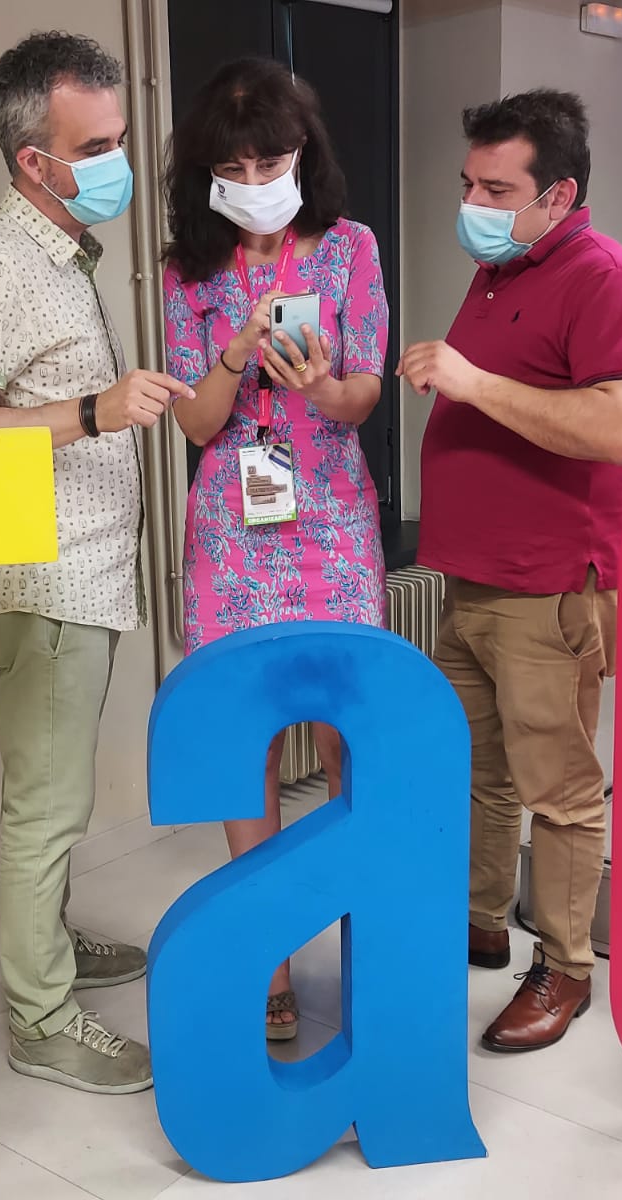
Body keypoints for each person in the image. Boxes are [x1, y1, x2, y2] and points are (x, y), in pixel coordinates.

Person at [0, 30, 194, 1095]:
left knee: (56, 796)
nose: (120, 161)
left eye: (120, 138)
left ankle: (51, 945)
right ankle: (40, 1019)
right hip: (41, 581)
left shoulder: (58, 252)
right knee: (45, 807)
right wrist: (93, 411)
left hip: (81, 570)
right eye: (97, 146)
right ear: (33, 159)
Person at [402, 88, 622, 1054]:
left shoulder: (608, 280)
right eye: (468, 183)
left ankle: (565, 968)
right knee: (478, 770)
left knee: (556, 787)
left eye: (496, 189)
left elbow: (618, 425)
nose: (472, 203)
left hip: (551, 586)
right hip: (470, 577)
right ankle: (479, 924)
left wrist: (472, 383)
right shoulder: (501, 269)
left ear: (558, 196)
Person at [161, 58, 389, 1042]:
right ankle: (270, 962)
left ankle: (367, 940)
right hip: (233, 529)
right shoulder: (188, 272)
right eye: (234, 166)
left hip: (330, 517)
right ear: (207, 172)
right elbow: (195, 423)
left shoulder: (349, 249)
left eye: (271, 160)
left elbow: (363, 394)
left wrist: (320, 385)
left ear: (304, 155)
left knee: (348, 735)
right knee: (245, 737)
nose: (255, 180)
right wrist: (231, 353)